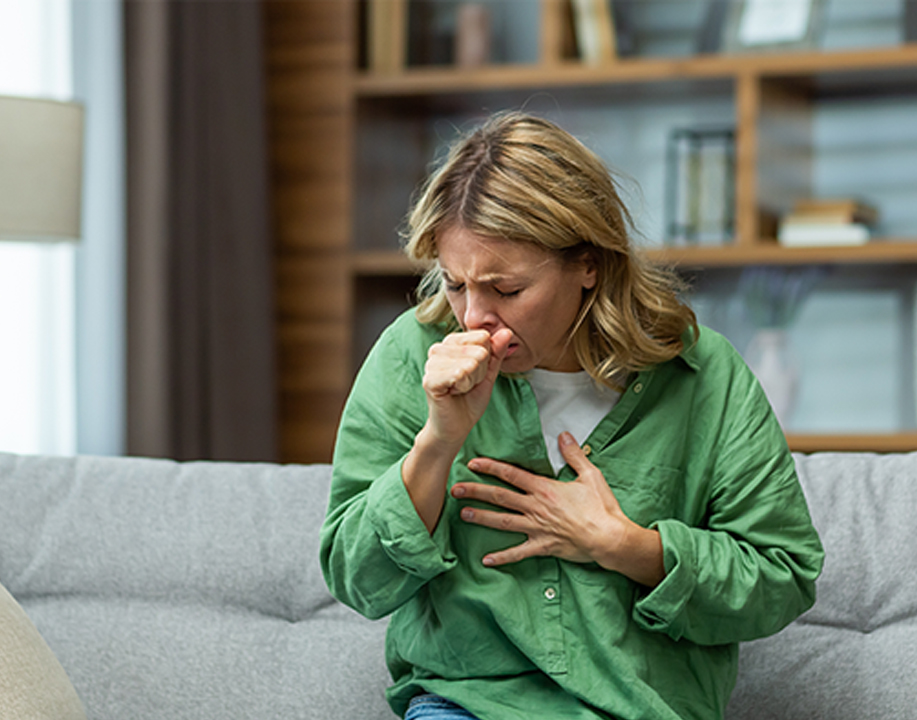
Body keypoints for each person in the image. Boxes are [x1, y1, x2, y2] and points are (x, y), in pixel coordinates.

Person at [319, 111, 823, 720]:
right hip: (467, 706)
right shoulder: (409, 355)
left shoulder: (704, 376)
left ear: (588, 264)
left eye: (506, 290)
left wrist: (628, 547)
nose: (474, 316)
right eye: (454, 284)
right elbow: (355, 577)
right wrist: (438, 439)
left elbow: (782, 577)